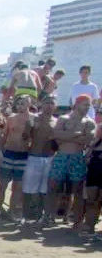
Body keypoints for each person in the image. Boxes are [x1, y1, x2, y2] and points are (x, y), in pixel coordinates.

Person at [45, 95, 96, 227]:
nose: (87, 108)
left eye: (88, 105)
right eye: (85, 104)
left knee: (76, 189)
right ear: (77, 104)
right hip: (61, 155)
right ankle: (48, 216)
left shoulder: (89, 122)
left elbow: (88, 139)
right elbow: (56, 135)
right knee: (53, 186)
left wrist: (67, 136)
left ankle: (74, 220)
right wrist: (77, 134)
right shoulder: (63, 118)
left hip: (78, 157)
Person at [0, 95, 33, 220]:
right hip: (9, 153)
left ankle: (12, 211)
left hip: (23, 155)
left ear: (29, 104)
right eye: (18, 103)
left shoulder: (33, 119)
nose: (20, 106)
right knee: (2, 184)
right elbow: (4, 136)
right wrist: (1, 152)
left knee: (17, 186)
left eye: (23, 103)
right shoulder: (11, 118)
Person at [21, 94, 56, 224]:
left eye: (52, 103)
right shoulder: (33, 118)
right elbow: (24, 137)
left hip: (49, 158)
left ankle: (40, 215)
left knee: (44, 190)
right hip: (34, 157)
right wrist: (29, 128)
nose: (49, 105)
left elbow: (57, 143)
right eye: (47, 102)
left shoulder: (57, 121)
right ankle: (24, 216)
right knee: (28, 189)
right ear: (42, 104)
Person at [81, 131, 102, 236]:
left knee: (99, 201)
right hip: (93, 173)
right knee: (91, 201)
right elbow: (86, 157)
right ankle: (90, 227)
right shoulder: (95, 143)